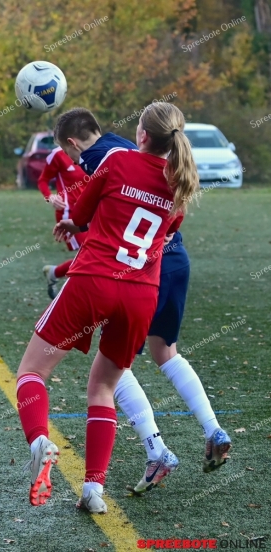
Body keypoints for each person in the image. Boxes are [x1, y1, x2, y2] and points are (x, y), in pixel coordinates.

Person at [15, 101, 195, 514]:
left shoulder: (116, 160)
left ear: (142, 135)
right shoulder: (179, 182)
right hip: (140, 295)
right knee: (103, 388)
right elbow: (167, 227)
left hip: (94, 280)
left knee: (31, 372)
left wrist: (70, 222)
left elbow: (81, 214)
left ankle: (40, 440)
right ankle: (93, 490)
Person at [55, 108, 232, 493]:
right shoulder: (164, 165)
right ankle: (213, 428)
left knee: (112, 369)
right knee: (165, 352)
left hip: (138, 272)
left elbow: (102, 227)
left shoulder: (108, 160)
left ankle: (157, 450)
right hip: (175, 262)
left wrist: (69, 252)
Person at [36, 147, 89, 298]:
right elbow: (43, 180)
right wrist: (50, 197)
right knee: (88, 256)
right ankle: (75, 297)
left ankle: (54, 273)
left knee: (92, 256)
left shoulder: (95, 151)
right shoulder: (58, 154)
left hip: (92, 213)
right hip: (69, 214)